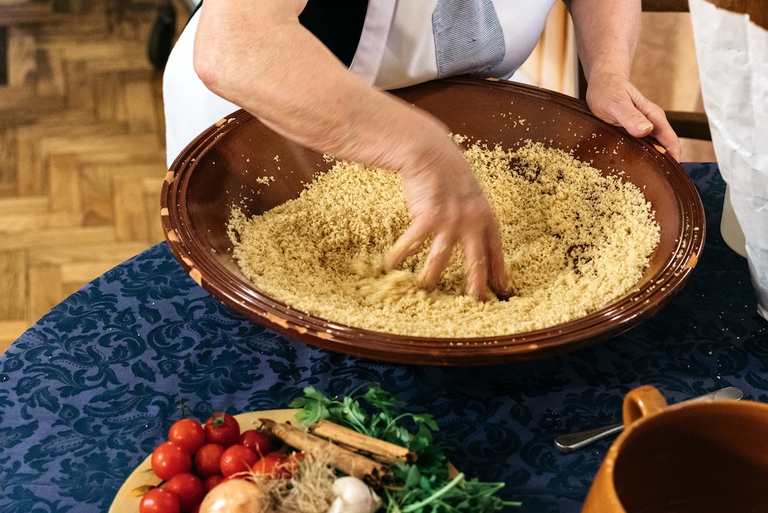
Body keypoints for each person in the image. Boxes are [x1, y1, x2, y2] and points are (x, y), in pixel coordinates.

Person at [163, 0, 682, 301]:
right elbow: (238, 46)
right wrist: (425, 151)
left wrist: (609, 68)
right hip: (276, 115)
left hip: (465, 109)